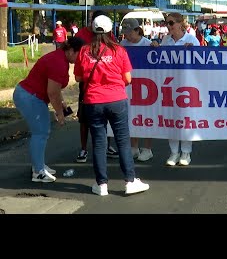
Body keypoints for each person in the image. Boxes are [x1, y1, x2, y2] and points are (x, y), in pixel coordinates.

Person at [74, 13, 149, 196]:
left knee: (99, 142)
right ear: (110, 30)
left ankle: (101, 185)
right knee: (122, 140)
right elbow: (128, 79)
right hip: (116, 99)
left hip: (93, 101)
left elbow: (77, 77)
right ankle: (130, 182)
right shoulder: (118, 50)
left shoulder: (84, 51)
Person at [13, 37, 85, 183]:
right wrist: (59, 113)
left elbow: (55, 89)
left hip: (31, 95)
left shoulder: (60, 58)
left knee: (41, 132)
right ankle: (38, 172)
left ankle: (38, 166)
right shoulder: (58, 62)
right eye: (80, 54)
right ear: (71, 51)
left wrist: (62, 103)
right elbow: (52, 92)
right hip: (31, 97)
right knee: (40, 132)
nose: (81, 58)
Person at [74, 11, 119, 163]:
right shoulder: (81, 34)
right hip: (88, 85)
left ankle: (107, 146)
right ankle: (83, 149)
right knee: (84, 119)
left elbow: (115, 52)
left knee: (108, 118)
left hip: (107, 85)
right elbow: (76, 60)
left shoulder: (110, 35)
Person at [160, 12, 200, 166]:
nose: (168, 26)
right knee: (172, 118)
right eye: (166, 23)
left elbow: (201, 62)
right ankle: (174, 152)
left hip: (187, 84)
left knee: (186, 119)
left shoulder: (191, 39)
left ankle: (186, 153)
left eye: (171, 23)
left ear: (179, 24)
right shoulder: (166, 40)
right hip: (170, 84)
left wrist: (193, 51)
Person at [120, 17, 158, 162]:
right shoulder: (123, 44)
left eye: (130, 32)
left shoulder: (148, 44)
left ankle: (147, 148)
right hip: (129, 84)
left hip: (147, 85)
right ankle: (134, 147)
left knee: (147, 116)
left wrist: (156, 47)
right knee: (132, 115)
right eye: (125, 32)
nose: (127, 35)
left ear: (137, 30)